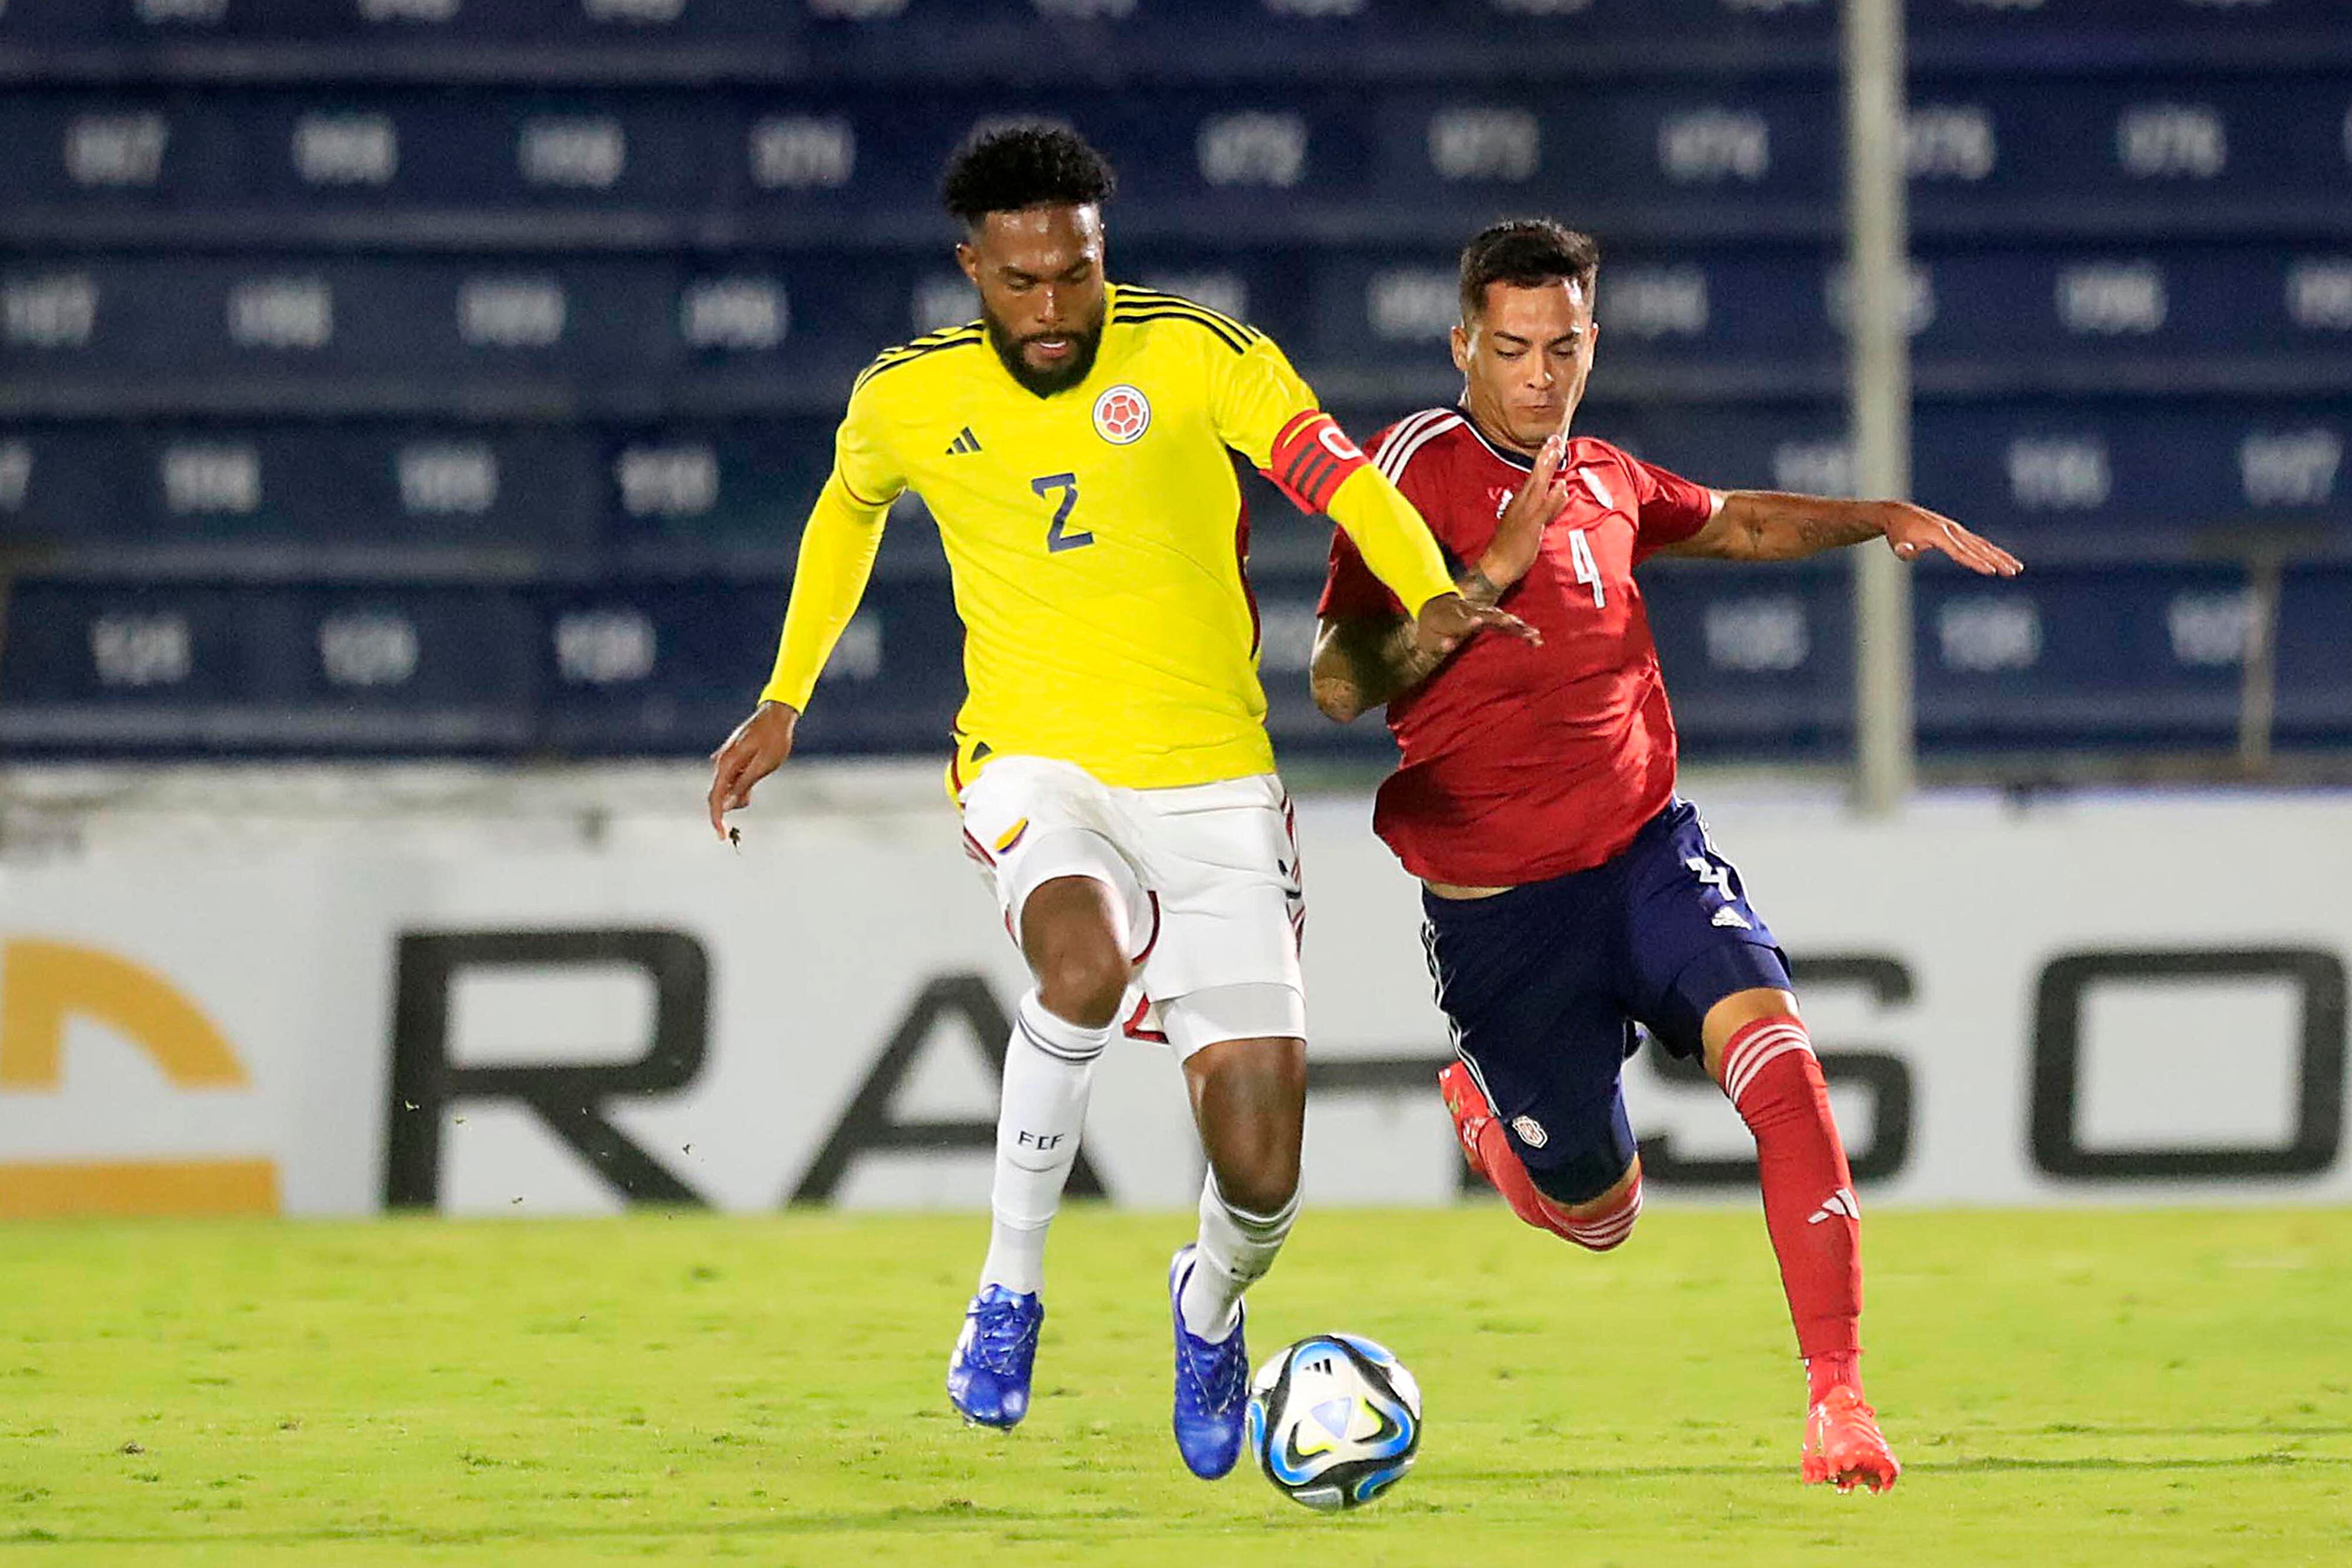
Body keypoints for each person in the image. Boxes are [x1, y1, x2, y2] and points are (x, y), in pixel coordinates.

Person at [704, 126, 1528, 1479]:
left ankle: (1205, 1310)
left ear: (1104, 255)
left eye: (1073, 276)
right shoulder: (905, 396)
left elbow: (1337, 477)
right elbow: (846, 512)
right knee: (1076, 966)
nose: (1049, 309)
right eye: (1019, 280)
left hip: (1210, 783)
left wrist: (1429, 581)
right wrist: (785, 694)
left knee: (1260, 1176)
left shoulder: (1201, 357)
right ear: (971, 267)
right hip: (1034, 765)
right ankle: (1007, 1293)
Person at [1310, 218, 2022, 1494]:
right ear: (1460, 343)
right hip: (1502, 919)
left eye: (1563, 347)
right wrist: (1479, 582)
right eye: (1511, 348)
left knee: (1784, 1061)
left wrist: (1876, 514)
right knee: (1600, 1211)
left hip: (1645, 851)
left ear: (1592, 343)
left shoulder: (1601, 474)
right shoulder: (1405, 472)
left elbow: (1737, 526)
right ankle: (1523, 1154)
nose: (1538, 374)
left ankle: (1839, 1399)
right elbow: (1336, 683)